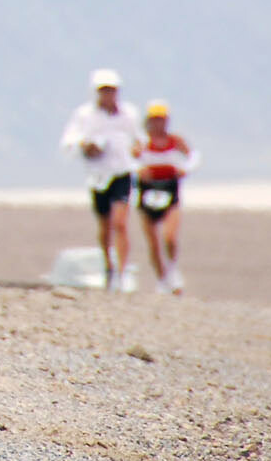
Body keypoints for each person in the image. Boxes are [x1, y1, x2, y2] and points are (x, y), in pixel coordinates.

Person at [58, 68, 143, 291]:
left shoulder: (128, 114)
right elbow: (69, 141)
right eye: (104, 90)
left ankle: (122, 274)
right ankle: (109, 265)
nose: (108, 95)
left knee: (120, 223)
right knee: (105, 226)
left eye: (111, 90)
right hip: (98, 176)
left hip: (122, 173)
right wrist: (85, 146)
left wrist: (137, 148)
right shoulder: (85, 115)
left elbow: (139, 139)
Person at [135, 100, 198, 294]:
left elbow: (193, 156)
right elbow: (128, 161)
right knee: (153, 243)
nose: (158, 124)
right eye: (154, 120)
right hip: (148, 193)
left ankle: (172, 270)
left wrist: (184, 169)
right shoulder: (142, 142)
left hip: (170, 193)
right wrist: (139, 170)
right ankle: (162, 279)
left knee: (169, 237)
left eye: (161, 119)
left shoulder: (175, 141)